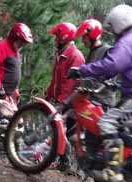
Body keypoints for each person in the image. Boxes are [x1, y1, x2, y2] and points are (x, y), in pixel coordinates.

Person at [68, 4, 132, 182]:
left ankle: (113, 172)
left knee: (106, 122)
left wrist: (82, 71)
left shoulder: (128, 42)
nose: (113, 33)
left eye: (113, 28)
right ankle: (126, 165)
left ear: (120, 24)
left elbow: (111, 65)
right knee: (118, 128)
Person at [75, 18, 118, 160]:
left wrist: (107, 80)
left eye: (85, 37)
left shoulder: (107, 50)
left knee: (100, 144)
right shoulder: (91, 53)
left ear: (93, 35)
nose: (83, 41)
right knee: (90, 142)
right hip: (91, 103)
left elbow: (112, 72)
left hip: (103, 104)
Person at [46, 22, 85, 171]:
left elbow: (70, 84)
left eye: (57, 37)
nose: (55, 40)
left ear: (64, 37)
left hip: (71, 102)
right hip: (61, 101)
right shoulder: (61, 55)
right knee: (59, 133)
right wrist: (49, 93)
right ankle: (63, 163)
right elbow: (56, 79)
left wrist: (60, 103)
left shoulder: (75, 56)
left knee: (69, 135)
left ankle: (71, 166)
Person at [0, 23, 33, 120]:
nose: (22, 45)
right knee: (10, 120)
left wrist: (16, 91)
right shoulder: (1, 46)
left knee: (18, 123)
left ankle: (5, 133)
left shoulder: (16, 52)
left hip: (9, 95)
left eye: (24, 43)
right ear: (14, 37)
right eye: (21, 42)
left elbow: (13, 72)